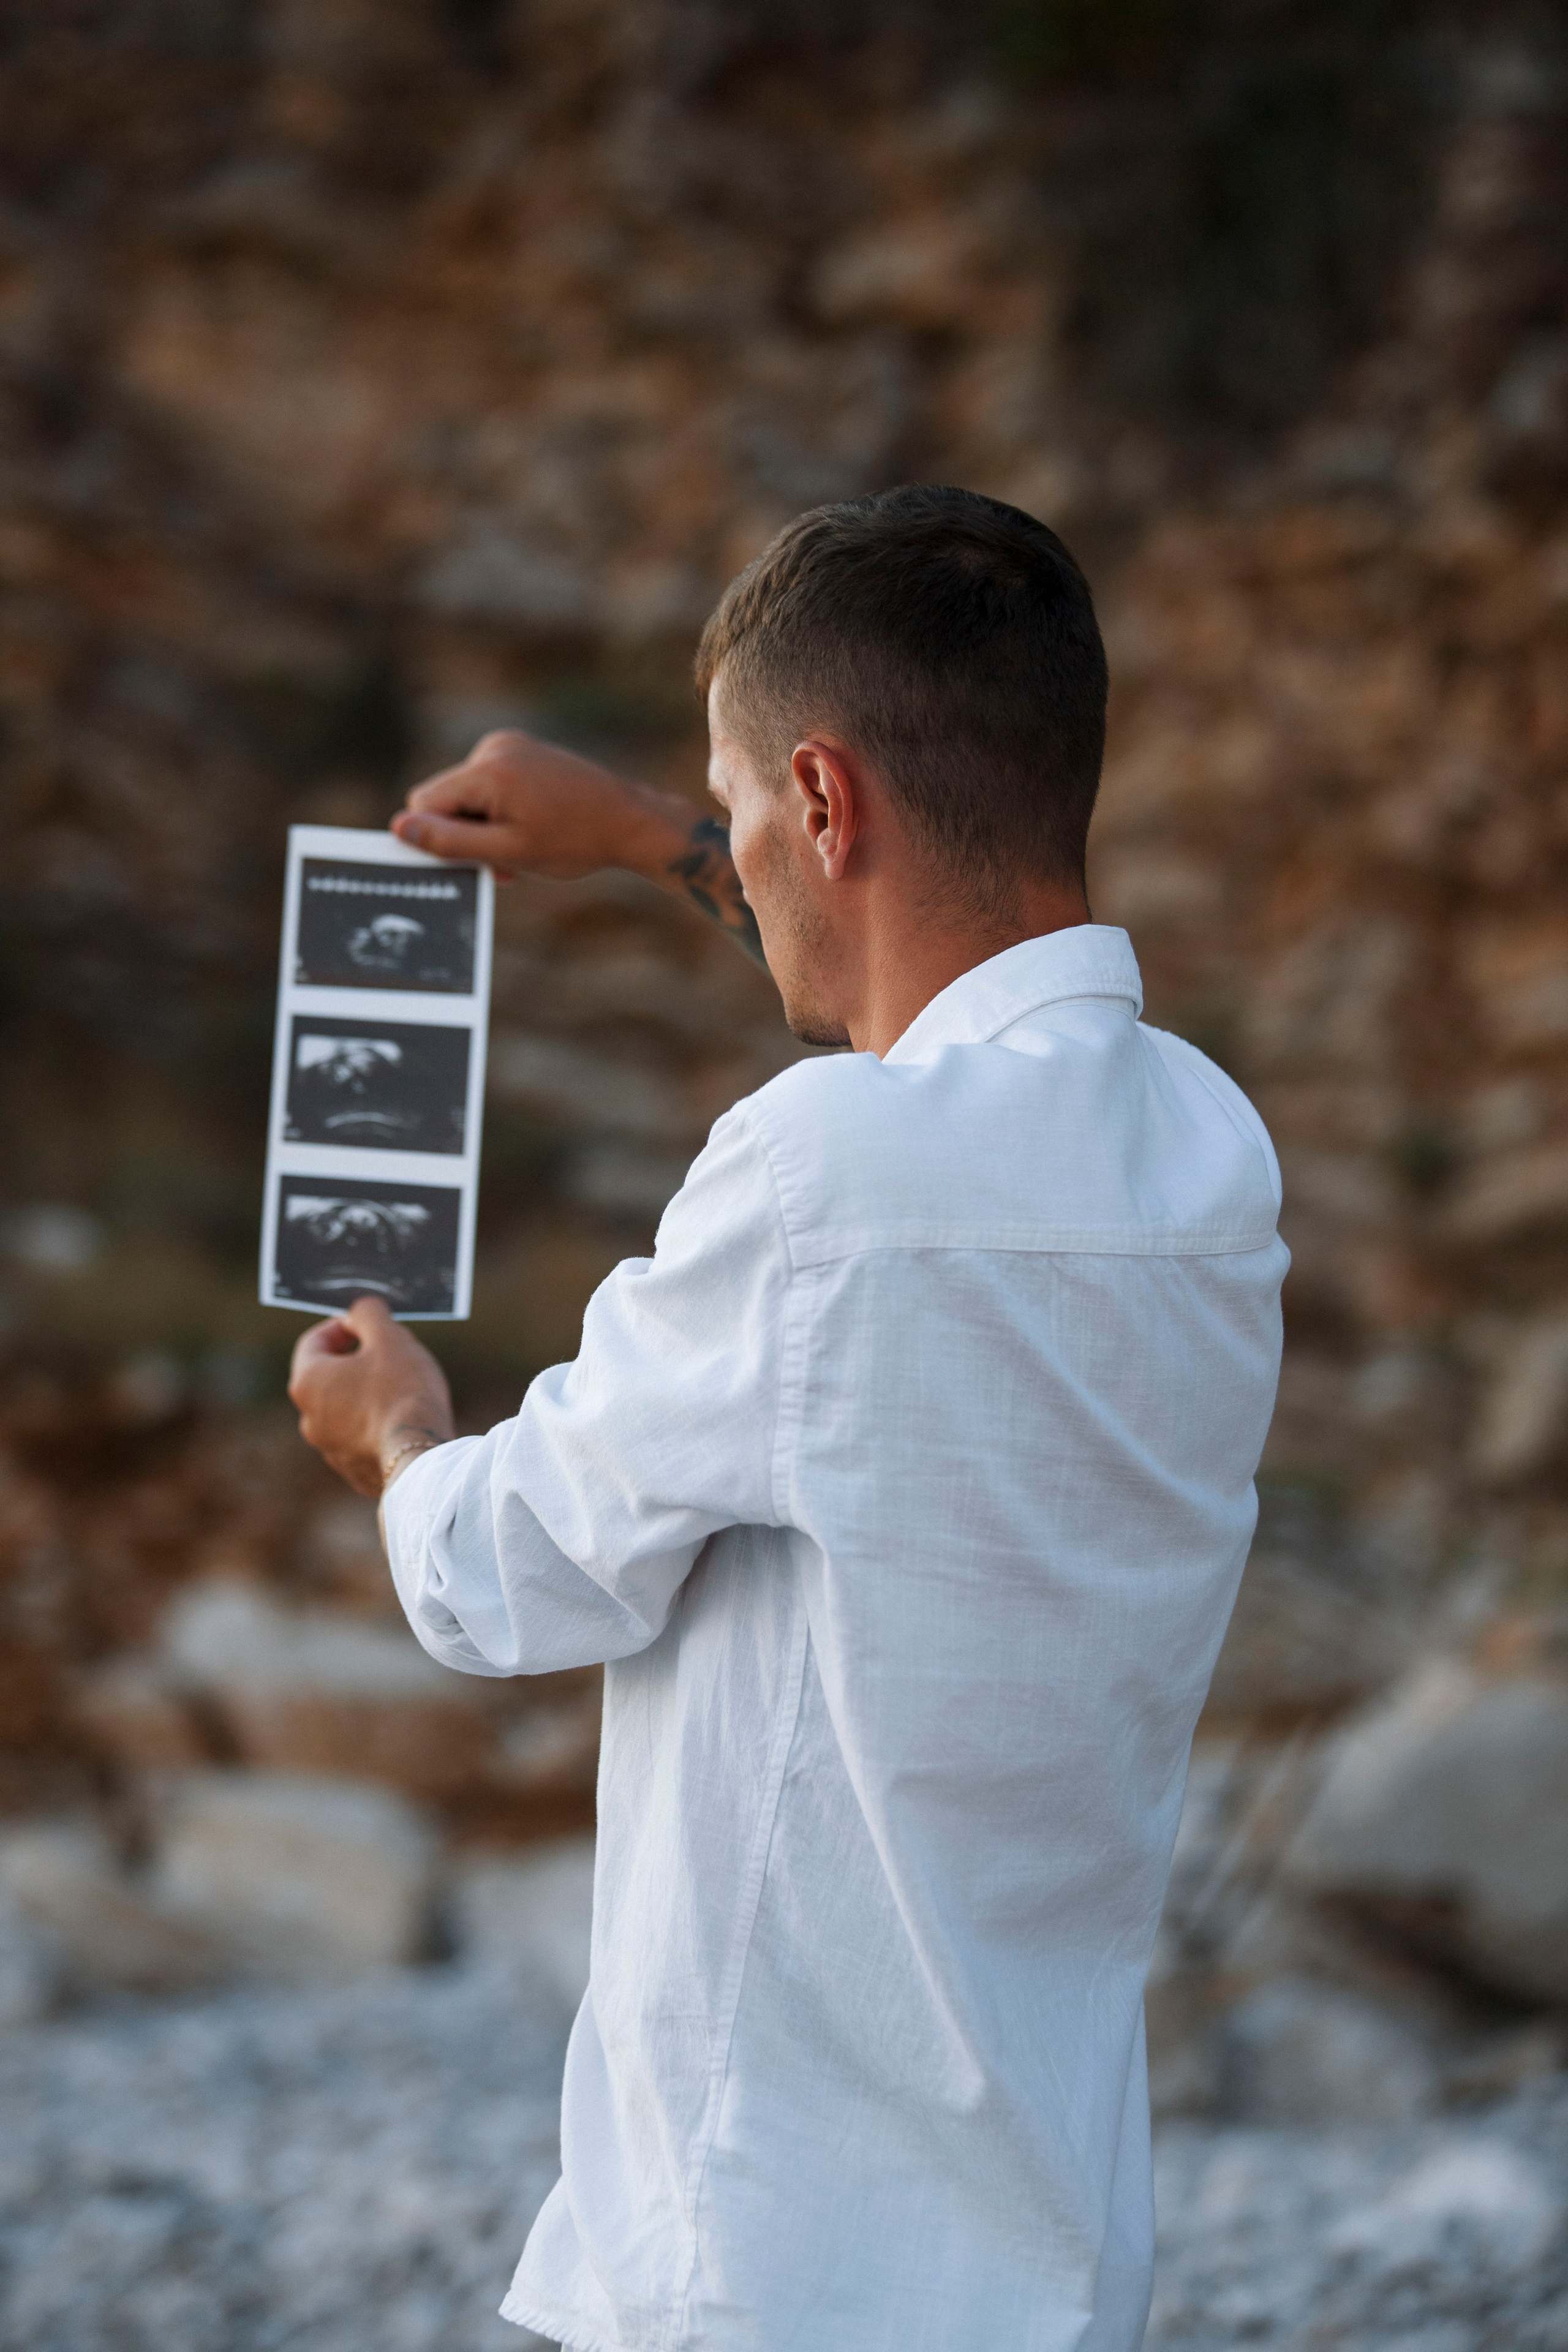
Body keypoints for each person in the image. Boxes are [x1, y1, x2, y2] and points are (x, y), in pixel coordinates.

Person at [288, 484, 1287, 2352]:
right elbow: (942, 1053)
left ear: (823, 802)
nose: (739, 858)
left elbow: (500, 1579)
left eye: (746, 810)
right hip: (1051, 2262)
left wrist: (399, 1438)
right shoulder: (1211, 1157)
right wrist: (657, 835)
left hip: (756, 2264)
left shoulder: (821, 1174)